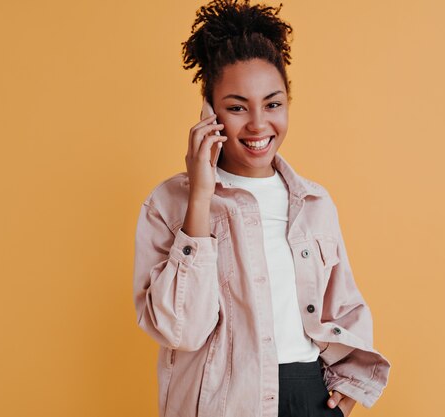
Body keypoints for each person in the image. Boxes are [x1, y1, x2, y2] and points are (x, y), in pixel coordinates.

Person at [133, 1, 391, 416]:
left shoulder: (314, 203)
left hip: (308, 396)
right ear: (209, 111)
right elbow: (180, 329)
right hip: (222, 403)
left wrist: (348, 389)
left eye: (272, 104)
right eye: (237, 107)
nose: (257, 125)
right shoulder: (168, 204)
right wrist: (200, 197)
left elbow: (343, 307)